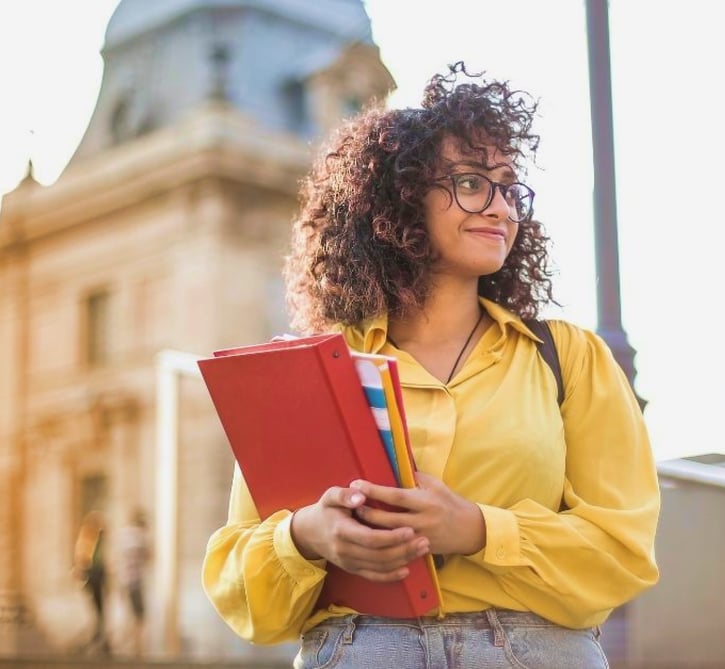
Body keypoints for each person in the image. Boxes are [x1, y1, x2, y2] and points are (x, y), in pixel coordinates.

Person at [202, 63, 660, 668]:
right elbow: (243, 590)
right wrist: (308, 535)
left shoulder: (569, 358)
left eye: (508, 186)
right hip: (362, 650)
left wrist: (476, 529)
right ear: (399, 198)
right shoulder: (316, 369)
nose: (500, 206)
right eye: (471, 182)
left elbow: (623, 552)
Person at [115, 508, 152, 657]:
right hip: (135, 581)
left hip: (123, 579)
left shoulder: (124, 535)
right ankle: (137, 647)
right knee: (139, 616)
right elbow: (148, 556)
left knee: (128, 613)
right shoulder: (139, 537)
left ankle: (127, 645)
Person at [73, 510, 110, 655]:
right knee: (97, 608)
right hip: (93, 575)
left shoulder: (97, 541)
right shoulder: (87, 539)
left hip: (98, 575)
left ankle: (99, 635)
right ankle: (97, 635)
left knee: (100, 609)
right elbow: (83, 559)